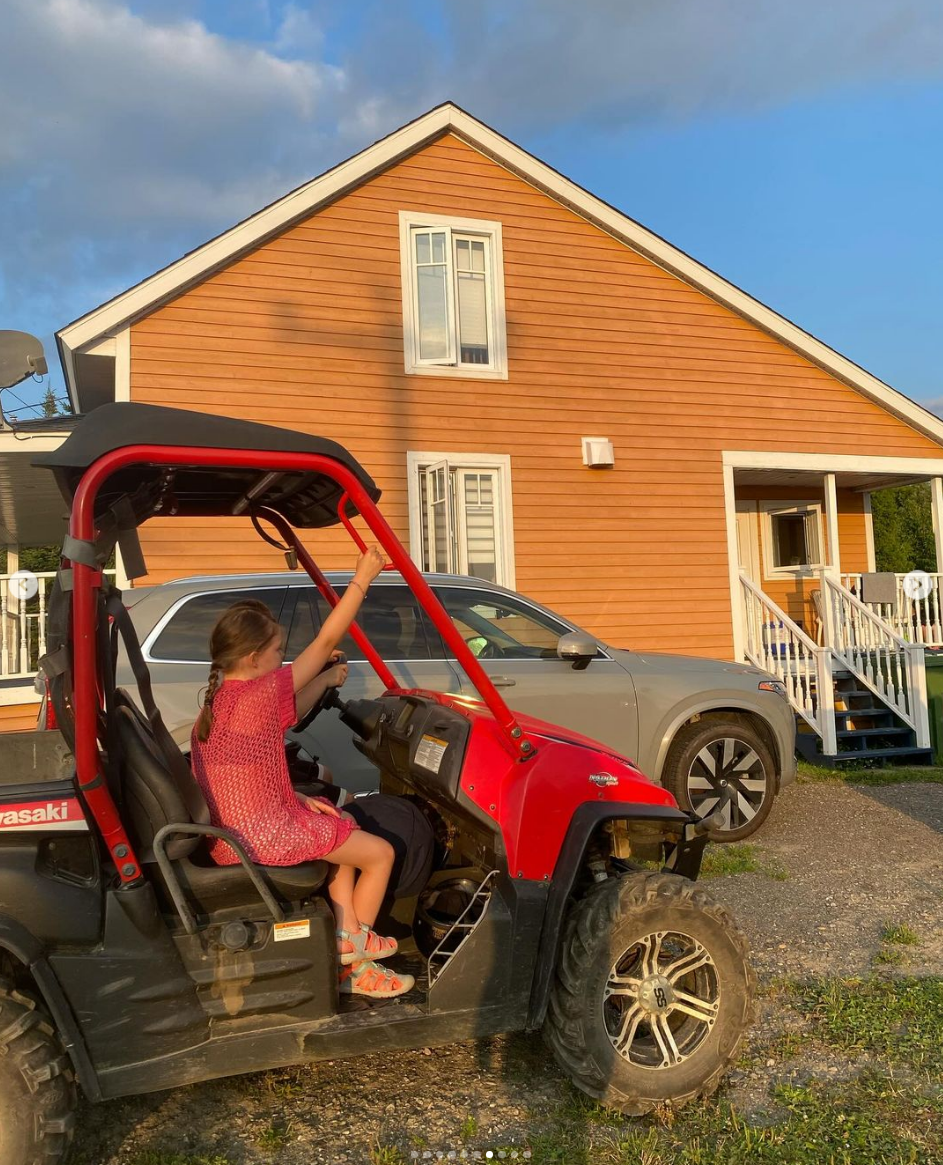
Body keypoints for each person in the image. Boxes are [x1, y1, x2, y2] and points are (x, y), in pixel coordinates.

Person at [190, 549, 413, 999]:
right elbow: (330, 632)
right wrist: (362, 578)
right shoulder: (255, 694)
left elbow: (259, 759)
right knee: (380, 853)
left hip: (239, 831)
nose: (282, 657)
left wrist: (327, 681)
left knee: (337, 820)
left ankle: (345, 944)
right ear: (254, 658)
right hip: (261, 836)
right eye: (277, 652)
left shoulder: (219, 703)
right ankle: (356, 953)